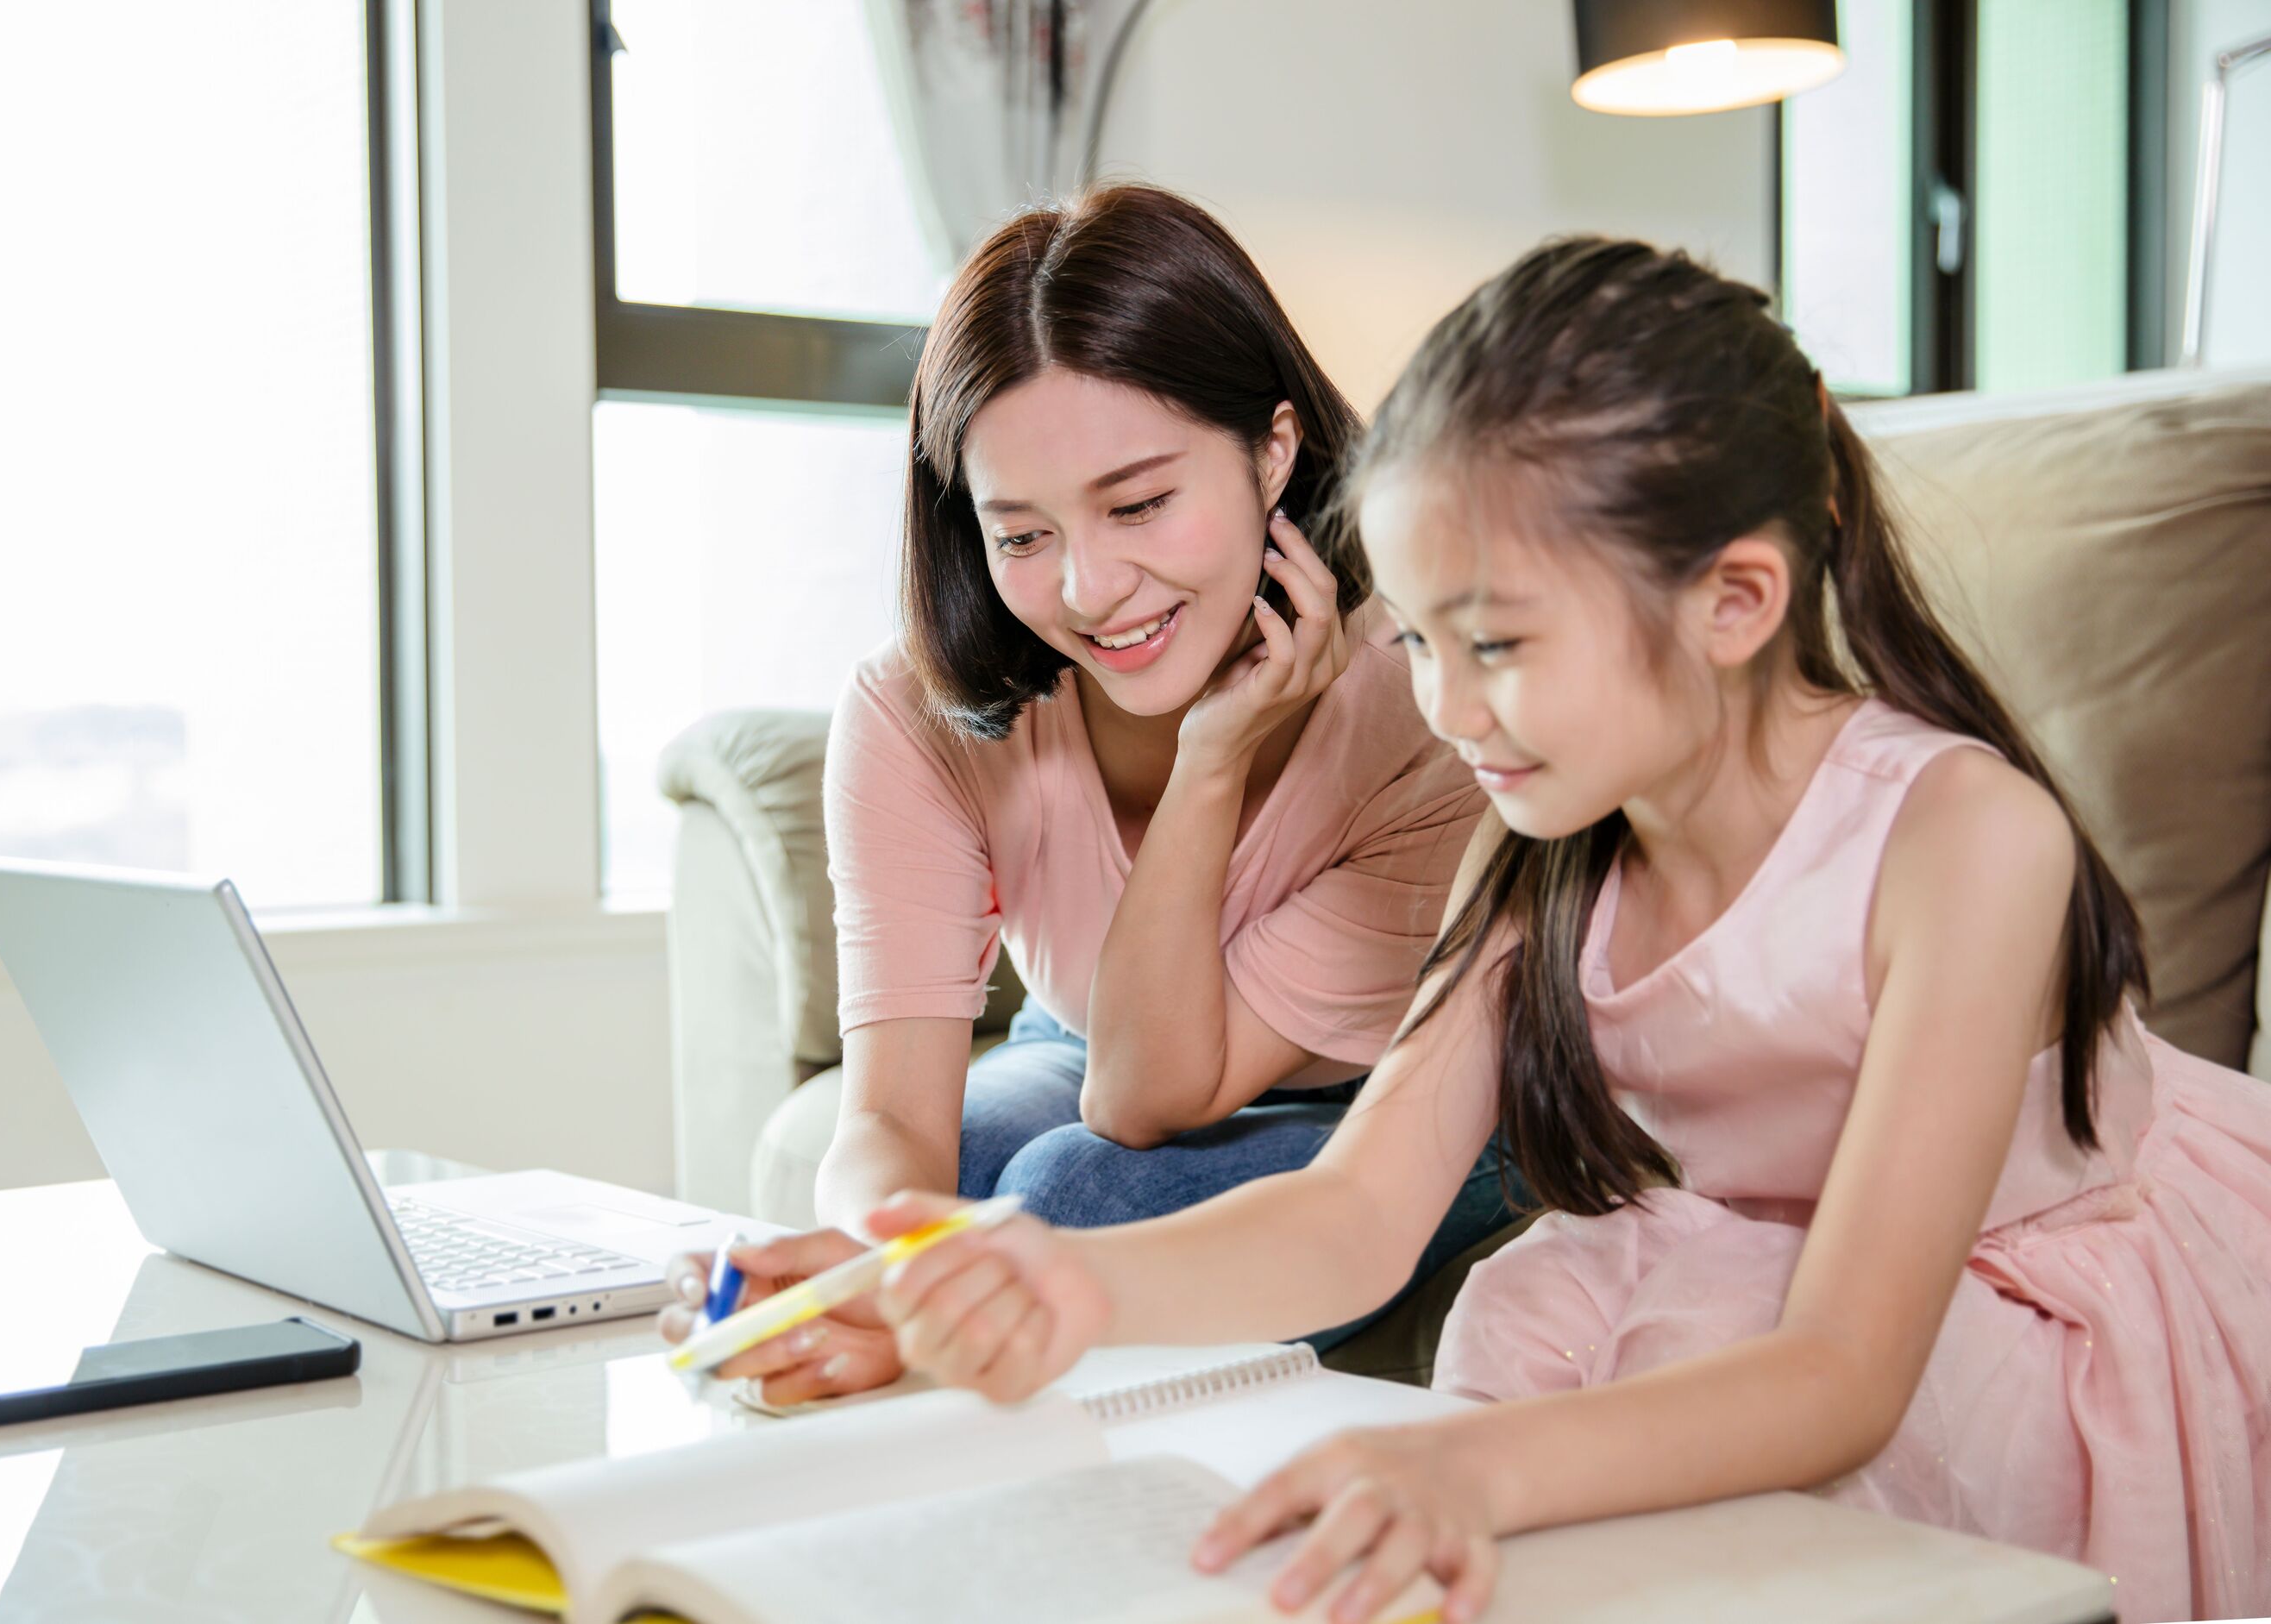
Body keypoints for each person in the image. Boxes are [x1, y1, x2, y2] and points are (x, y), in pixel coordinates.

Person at [865, 238, 2271, 1624]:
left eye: (1498, 645)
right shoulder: (1546, 847)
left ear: (1733, 601)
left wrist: (1458, 1461)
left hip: (2002, 1310)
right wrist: (1057, 1275)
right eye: (1416, 643)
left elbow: (1847, 1370)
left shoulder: (1968, 840)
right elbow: (1355, 1216)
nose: (1448, 713)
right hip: (1745, 1275)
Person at [659, 185, 1519, 1404]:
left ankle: (935, 1358)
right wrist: (858, 1258)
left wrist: (1215, 758)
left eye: (1140, 504)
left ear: (1273, 452)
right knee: (937, 1178)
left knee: (1071, 1196)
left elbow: (1142, 1101)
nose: (1090, 587)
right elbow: (890, 1125)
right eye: (1021, 534)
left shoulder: (1421, 703)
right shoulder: (914, 716)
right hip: (1087, 1035)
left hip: (1396, 1089)